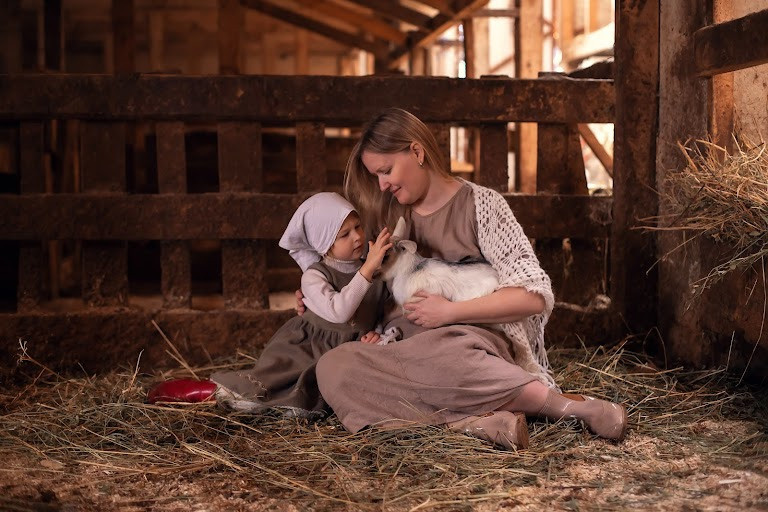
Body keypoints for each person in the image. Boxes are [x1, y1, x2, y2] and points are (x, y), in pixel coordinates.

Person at [307, 108, 627, 448]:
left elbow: (533, 295)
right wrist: (317, 296)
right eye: (377, 176)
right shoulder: (392, 216)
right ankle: (471, 422)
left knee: (451, 360)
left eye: (386, 171)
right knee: (333, 367)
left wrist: (449, 313)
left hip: (465, 343)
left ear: (417, 152)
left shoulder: (483, 206)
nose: (382, 185)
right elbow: (367, 294)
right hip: (404, 348)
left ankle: (566, 408)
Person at [148, 192, 394, 419]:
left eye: (358, 226)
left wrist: (378, 335)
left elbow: (381, 309)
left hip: (345, 352)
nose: (358, 237)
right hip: (308, 348)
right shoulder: (314, 276)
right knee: (268, 387)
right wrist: (367, 269)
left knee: (324, 397)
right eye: (345, 234)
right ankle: (206, 392)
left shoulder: (375, 271)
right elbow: (339, 311)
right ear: (325, 243)